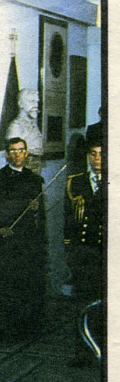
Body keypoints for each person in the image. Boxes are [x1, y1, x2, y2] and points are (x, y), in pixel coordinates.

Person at [0, 137, 46, 340]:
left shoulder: (34, 180)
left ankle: (25, 329)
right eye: (12, 151)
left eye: (21, 150)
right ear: (7, 155)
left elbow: (39, 220)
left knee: (25, 287)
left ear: (26, 153)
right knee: (5, 289)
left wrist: (36, 209)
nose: (17, 154)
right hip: (4, 245)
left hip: (26, 245)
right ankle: (3, 331)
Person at [64, 126, 104, 365]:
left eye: (102, 154)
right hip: (84, 254)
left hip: (107, 254)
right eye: (93, 154)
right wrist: (70, 253)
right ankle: (83, 352)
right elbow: (69, 223)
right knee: (82, 304)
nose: (97, 159)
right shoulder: (74, 183)